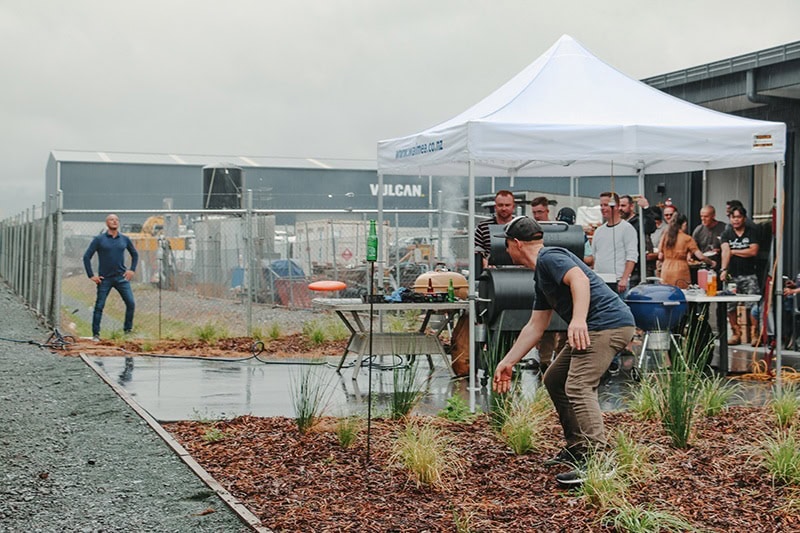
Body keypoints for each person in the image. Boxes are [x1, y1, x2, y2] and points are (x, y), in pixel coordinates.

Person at [491, 215, 635, 486]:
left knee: (578, 385)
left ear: (516, 243)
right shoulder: (542, 275)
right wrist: (508, 361)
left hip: (607, 326)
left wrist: (578, 320)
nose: (506, 250)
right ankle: (578, 448)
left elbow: (579, 279)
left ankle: (599, 460)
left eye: (507, 244)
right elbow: (536, 325)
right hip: (598, 327)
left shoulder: (550, 257)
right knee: (555, 379)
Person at [83, 213, 138, 341]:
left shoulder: (124, 239)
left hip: (121, 278)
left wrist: (132, 270)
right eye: (111, 220)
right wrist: (91, 275)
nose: (114, 221)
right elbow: (86, 257)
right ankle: (96, 334)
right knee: (99, 306)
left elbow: (134, 254)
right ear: (107, 223)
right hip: (105, 279)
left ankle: (127, 331)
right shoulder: (99, 240)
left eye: (116, 220)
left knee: (131, 303)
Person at [720, 205, 760, 345]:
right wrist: (723, 269)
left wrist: (734, 252)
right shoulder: (726, 234)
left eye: (738, 217)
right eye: (733, 217)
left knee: (753, 305)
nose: (736, 220)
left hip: (749, 274)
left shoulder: (751, 232)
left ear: (744, 218)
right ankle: (736, 333)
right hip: (732, 275)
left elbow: (753, 251)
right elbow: (725, 251)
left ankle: (754, 334)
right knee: (730, 305)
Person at [591, 192, 638, 293]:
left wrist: (624, 279)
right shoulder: (598, 231)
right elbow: (594, 256)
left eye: (606, 205)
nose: (602, 208)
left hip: (618, 282)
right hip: (600, 281)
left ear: (615, 206)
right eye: (601, 205)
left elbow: (632, 256)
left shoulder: (627, 228)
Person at [658, 214, 716, 288]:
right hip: (680, 270)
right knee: (682, 292)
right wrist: (711, 262)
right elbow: (700, 256)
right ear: (684, 224)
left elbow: (660, 256)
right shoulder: (687, 238)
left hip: (665, 269)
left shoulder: (665, 236)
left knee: (666, 292)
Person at [618, 194, 656, 285]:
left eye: (623, 205)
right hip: (621, 267)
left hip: (638, 269)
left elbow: (651, 227)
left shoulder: (639, 221)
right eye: (618, 206)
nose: (620, 208)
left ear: (631, 206)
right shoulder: (619, 224)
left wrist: (646, 208)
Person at [475, 190, 516, 268]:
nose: (504, 208)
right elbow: (476, 251)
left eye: (507, 205)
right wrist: (484, 262)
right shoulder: (483, 227)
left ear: (513, 207)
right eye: (500, 205)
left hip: (518, 271)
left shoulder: (521, 226)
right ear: (495, 207)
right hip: (489, 270)